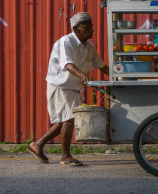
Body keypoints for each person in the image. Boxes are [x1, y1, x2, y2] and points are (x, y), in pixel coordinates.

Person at [27, 12, 109, 166]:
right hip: (61, 86)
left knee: (61, 122)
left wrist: (117, 76)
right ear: (77, 29)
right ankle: (65, 157)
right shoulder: (66, 42)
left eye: (92, 27)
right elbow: (67, 64)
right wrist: (82, 74)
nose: (92, 30)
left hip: (72, 87)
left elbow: (101, 65)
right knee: (69, 119)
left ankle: (38, 144)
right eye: (87, 27)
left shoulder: (88, 46)